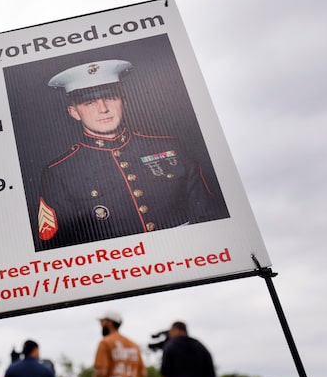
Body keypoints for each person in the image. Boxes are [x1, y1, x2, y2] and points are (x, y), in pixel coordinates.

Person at [36, 59, 226, 249]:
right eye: (89, 102)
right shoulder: (58, 171)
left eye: (110, 97)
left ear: (123, 101)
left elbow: (207, 215)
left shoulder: (170, 146)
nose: (103, 109)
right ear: (74, 112)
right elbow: (60, 245)